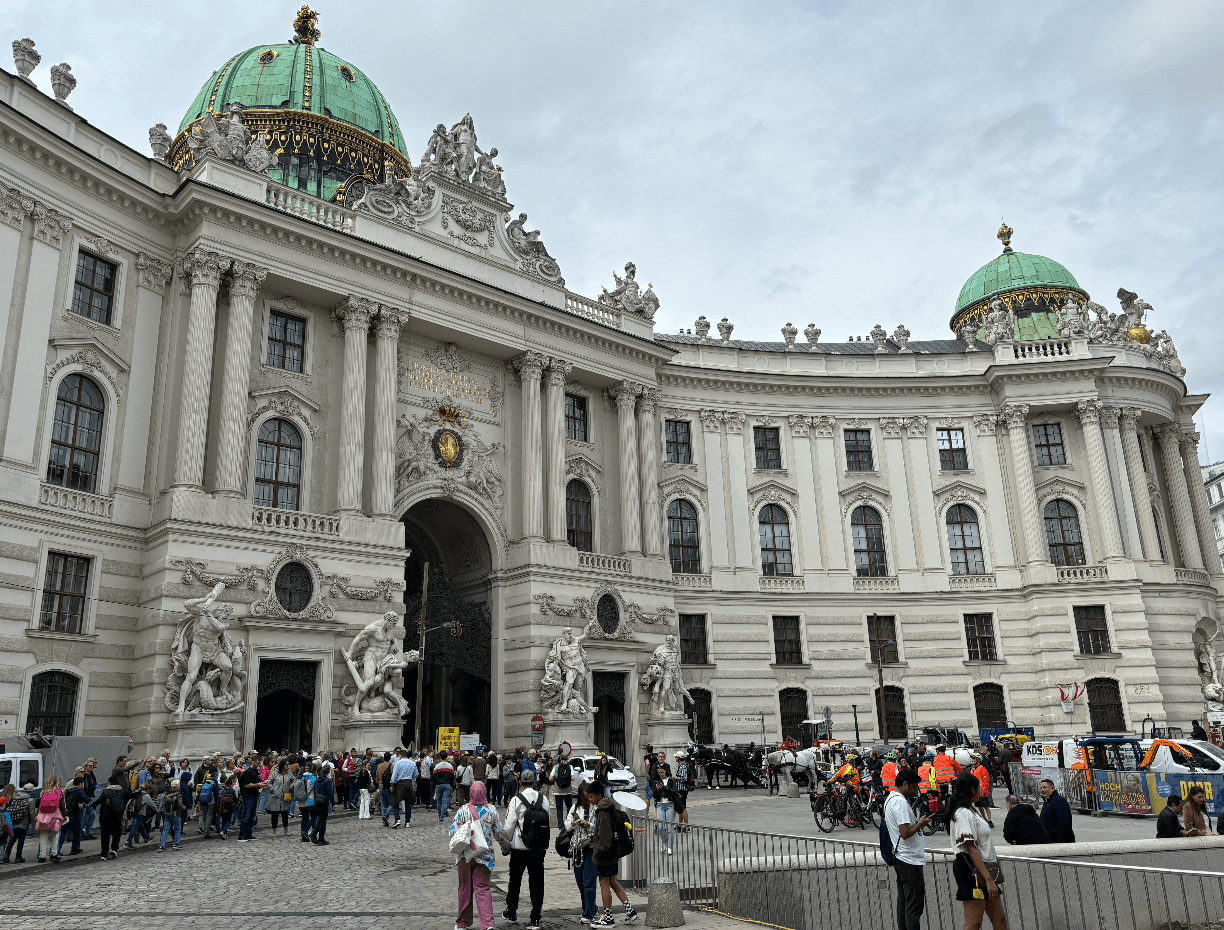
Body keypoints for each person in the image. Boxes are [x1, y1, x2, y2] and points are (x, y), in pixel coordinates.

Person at [946, 772, 1008, 930]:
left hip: (980, 869)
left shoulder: (971, 811)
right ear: (973, 789)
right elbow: (970, 847)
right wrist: (988, 879)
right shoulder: (963, 814)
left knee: (1000, 921)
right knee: (974, 923)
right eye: (979, 788)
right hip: (972, 870)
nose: (981, 791)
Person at [450, 781, 507, 930]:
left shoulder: (463, 810)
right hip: (485, 856)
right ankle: (488, 924)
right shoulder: (491, 810)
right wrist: (506, 846)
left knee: (464, 888)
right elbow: (499, 833)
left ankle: (462, 923)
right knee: (482, 888)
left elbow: (452, 831)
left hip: (465, 856)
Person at [885, 767, 931, 930]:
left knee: (904, 903)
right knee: (914, 907)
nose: (915, 790)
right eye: (914, 787)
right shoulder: (900, 802)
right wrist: (920, 824)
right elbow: (905, 833)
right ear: (905, 784)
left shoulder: (890, 799)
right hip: (909, 859)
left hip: (901, 857)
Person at [504, 768, 548, 930]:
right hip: (538, 848)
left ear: (521, 783)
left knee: (515, 880)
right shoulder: (543, 799)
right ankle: (535, 916)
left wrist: (506, 843)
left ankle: (512, 911)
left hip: (519, 847)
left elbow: (509, 826)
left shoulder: (516, 800)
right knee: (537, 881)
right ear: (535, 782)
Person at [591, 794, 637, 927]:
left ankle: (608, 917)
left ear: (598, 795)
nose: (589, 799)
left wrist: (598, 850)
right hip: (614, 853)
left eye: (590, 796)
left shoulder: (602, 812)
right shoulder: (611, 808)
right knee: (612, 882)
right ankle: (630, 911)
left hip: (605, 855)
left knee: (604, 882)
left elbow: (605, 839)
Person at [567, 782, 600, 924]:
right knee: (580, 881)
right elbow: (566, 825)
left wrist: (589, 825)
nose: (587, 795)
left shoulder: (596, 808)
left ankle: (588, 913)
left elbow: (599, 826)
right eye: (584, 792)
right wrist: (573, 823)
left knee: (589, 882)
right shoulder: (575, 808)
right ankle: (589, 907)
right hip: (578, 848)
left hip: (591, 848)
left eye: (589, 793)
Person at [90, 774, 127, 860]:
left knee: (105, 835)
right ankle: (114, 849)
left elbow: (98, 801)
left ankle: (104, 853)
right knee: (117, 833)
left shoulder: (106, 791)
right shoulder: (122, 791)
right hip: (117, 815)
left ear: (109, 783)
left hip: (106, 816)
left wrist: (87, 805)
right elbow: (132, 794)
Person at [33, 774, 65, 862]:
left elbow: (37, 803)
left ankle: (42, 856)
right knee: (55, 835)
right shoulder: (59, 791)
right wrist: (65, 815)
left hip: (43, 816)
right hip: (55, 816)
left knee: (43, 836)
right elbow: (62, 805)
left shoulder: (43, 791)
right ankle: (54, 853)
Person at [3, 782, 33, 863]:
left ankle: (6, 856)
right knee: (21, 840)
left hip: (14, 821)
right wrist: (34, 825)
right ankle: (18, 857)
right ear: (31, 791)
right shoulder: (30, 800)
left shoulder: (15, 797)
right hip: (23, 823)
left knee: (12, 839)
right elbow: (31, 813)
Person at [1038, 779, 1075, 843]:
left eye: (1044, 787)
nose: (1042, 790)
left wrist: (1056, 841)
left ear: (1053, 788)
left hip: (1060, 843)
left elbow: (1064, 824)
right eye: (1041, 788)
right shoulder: (1047, 802)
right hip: (1051, 841)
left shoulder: (1059, 801)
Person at [237, 757, 265, 842]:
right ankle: (242, 835)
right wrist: (258, 784)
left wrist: (260, 780)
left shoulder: (256, 771)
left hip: (254, 795)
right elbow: (246, 785)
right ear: (253, 762)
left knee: (251, 816)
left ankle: (249, 834)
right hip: (248, 796)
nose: (258, 765)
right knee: (246, 815)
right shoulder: (248, 772)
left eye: (259, 764)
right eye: (257, 763)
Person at [390, 749, 418, 827]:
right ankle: (407, 822)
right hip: (408, 783)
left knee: (396, 801)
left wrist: (392, 783)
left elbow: (394, 775)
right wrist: (411, 778)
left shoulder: (398, 763)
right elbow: (416, 774)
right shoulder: (413, 763)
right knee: (408, 804)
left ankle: (397, 819)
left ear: (401, 755)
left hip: (400, 784)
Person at [309, 763, 335, 845]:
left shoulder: (317, 780)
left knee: (320, 820)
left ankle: (316, 835)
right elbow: (329, 793)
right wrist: (333, 802)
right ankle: (320, 838)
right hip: (324, 802)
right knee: (322, 821)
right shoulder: (328, 780)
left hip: (317, 801)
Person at [267, 759, 293, 837]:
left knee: (285, 814)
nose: (288, 766)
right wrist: (273, 789)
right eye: (287, 764)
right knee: (275, 815)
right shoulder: (275, 773)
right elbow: (268, 782)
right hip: (275, 797)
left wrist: (292, 786)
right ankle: (274, 831)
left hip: (285, 797)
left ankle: (286, 830)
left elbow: (294, 780)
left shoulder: (289, 773)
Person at [158, 779, 185, 850]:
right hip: (175, 813)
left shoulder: (167, 793)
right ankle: (176, 844)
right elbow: (179, 804)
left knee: (165, 830)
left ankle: (162, 845)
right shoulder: (178, 794)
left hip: (167, 813)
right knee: (177, 828)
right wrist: (183, 807)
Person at [550, 754, 575, 829]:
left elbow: (551, 778)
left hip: (558, 791)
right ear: (567, 759)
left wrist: (555, 778)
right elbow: (573, 778)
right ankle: (568, 823)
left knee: (559, 808)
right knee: (569, 808)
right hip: (568, 791)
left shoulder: (556, 767)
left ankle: (560, 825)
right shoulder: (570, 767)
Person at [971, 753, 993, 824]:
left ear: (978, 760)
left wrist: (984, 791)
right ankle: (984, 819)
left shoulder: (982, 769)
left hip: (982, 792)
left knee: (986, 806)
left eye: (974, 758)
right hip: (976, 792)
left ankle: (990, 820)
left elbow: (986, 782)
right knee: (980, 807)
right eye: (973, 758)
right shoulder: (973, 770)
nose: (973, 760)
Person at [434, 751, 457, 821]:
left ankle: (439, 815)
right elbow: (452, 776)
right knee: (445, 801)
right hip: (447, 784)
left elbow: (434, 776)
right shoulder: (450, 766)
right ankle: (442, 816)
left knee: (439, 801)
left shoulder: (437, 766)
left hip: (439, 784)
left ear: (440, 757)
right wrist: (451, 783)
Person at [674, 750, 693, 827]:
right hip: (681, 789)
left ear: (678, 758)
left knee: (683, 807)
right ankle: (681, 824)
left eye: (676, 757)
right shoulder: (682, 765)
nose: (675, 758)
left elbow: (684, 779)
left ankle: (686, 825)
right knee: (681, 807)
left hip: (682, 789)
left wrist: (677, 778)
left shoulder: (683, 766)